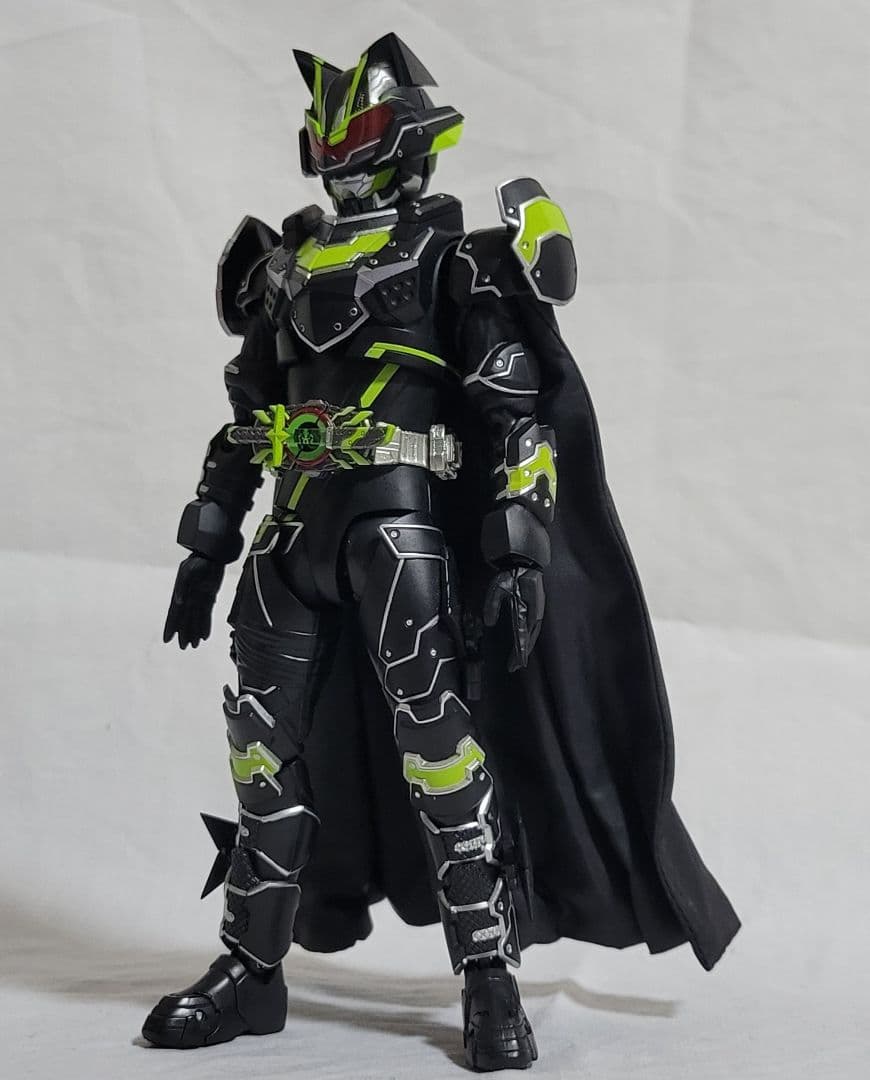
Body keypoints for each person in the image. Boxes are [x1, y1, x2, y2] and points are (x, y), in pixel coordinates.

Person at [142, 33, 739, 1072]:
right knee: (262, 753)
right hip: (290, 540)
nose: (341, 155)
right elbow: (246, 420)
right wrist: (206, 546)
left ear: (408, 139)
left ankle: (488, 973)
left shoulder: (454, 260)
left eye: (361, 131)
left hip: (398, 533)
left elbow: (515, 416)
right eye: (330, 135)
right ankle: (250, 967)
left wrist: (517, 550)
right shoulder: (282, 267)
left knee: (443, 753)